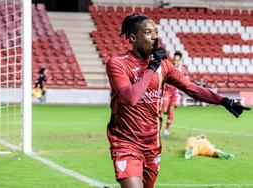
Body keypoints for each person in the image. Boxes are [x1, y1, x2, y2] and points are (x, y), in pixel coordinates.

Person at [106, 13, 250, 188]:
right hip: (126, 141)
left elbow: (192, 88)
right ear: (133, 37)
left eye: (156, 32)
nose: (154, 37)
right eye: (148, 32)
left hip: (152, 144)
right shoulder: (117, 64)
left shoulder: (165, 66)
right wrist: (153, 66)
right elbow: (131, 97)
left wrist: (224, 100)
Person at [162, 51, 188, 136]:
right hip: (167, 91)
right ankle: (167, 113)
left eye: (177, 61)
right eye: (174, 60)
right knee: (164, 111)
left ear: (180, 61)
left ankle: (167, 130)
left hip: (176, 92)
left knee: (171, 110)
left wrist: (183, 90)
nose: (175, 62)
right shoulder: (169, 67)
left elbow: (186, 81)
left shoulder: (183, 70)